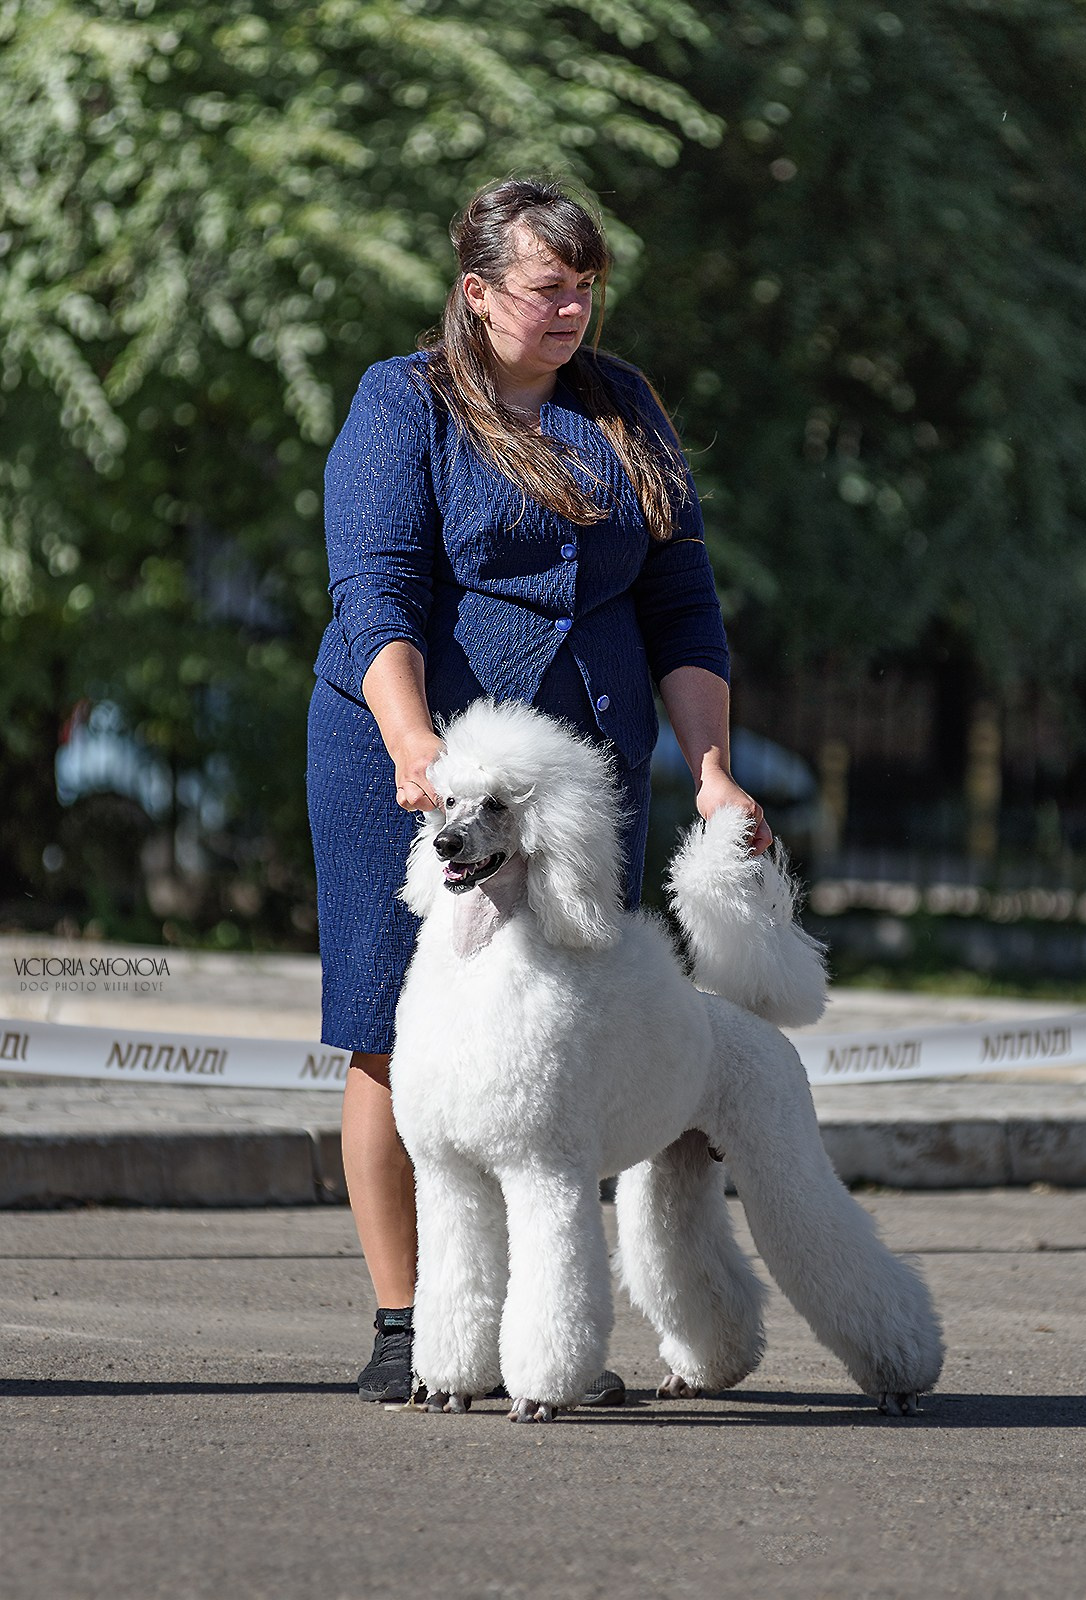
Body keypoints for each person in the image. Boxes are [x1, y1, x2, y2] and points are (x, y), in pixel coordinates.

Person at [306, 176, 771, 1404]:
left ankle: (543, 1338)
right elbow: (377, 592)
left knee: (572, 1024)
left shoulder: (624, 410)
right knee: (391, 1030)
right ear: (476, 292)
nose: (571, 309)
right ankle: (411, 1325)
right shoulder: (402, 405)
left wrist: (715, 772)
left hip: (578, 772)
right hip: (405, 753)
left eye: (585, 288)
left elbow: (682, 604)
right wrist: (416, 747)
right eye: (544, 287)